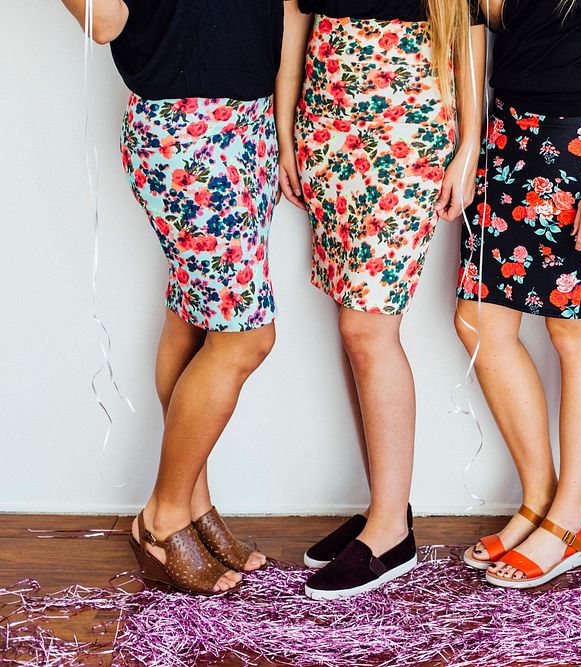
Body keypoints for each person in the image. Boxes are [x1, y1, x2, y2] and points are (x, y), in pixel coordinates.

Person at [59, 0, 293, 595]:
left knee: (193, 316)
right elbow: (104, 22)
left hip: (252, 118)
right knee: (246, 337)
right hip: (183, 125)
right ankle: (162, 520)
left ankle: (193, 504)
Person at [275, 0, 485, 598]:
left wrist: (469, 144)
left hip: (406, 126)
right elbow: (296, 19)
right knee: (352, 326)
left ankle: (392, 530)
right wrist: (288, 133)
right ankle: (383, 510)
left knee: (369, 329)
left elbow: (466, 28)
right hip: (328, 121)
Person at [456, 0, 581, 588]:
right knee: (477, 323)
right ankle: (541, 499)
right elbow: (493, 17)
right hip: (507, 128)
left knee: (574, 331)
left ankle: (570, 518)